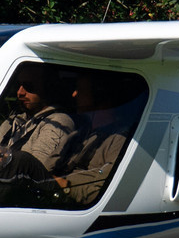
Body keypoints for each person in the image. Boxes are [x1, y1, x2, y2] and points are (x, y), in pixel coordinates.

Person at [0, 65, 77, 206]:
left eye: (28, 86)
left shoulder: (60, 121)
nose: (20, 92)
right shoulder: (15, 120)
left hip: (27, 196)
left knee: (21, 160)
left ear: (47, 88)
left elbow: (31, 167)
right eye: (18, 85)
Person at [52, 74, 139, 208]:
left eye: (80, 89)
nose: (74, 94)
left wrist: (64, 186)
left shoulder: (119, 141)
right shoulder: (77, 135)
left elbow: (102, 193)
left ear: (99, 94)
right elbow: (47, 167)